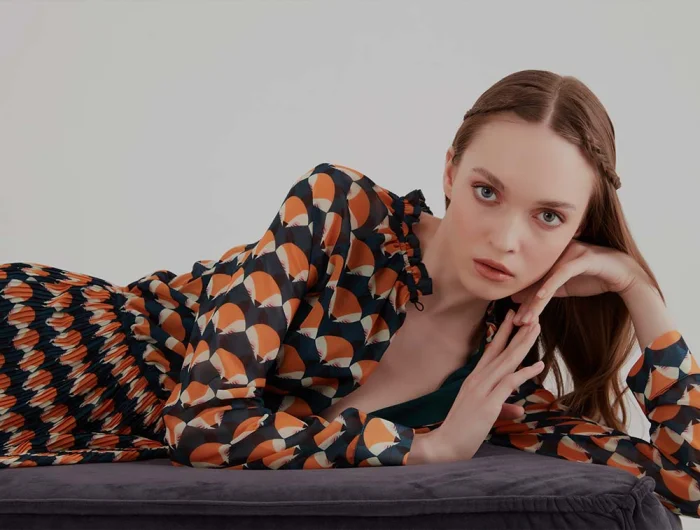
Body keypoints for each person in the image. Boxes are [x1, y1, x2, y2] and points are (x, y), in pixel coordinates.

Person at [0, 69, 697, 518]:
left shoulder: (501, 379)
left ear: (579, 231)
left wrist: (641, 293)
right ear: (450, 172)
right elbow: (203, 424)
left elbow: (688, 484)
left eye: (548, 216)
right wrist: (425, 450)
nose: (507, 239)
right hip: (46, 341)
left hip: (76, 434)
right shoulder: (338, 210)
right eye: (487, 192)